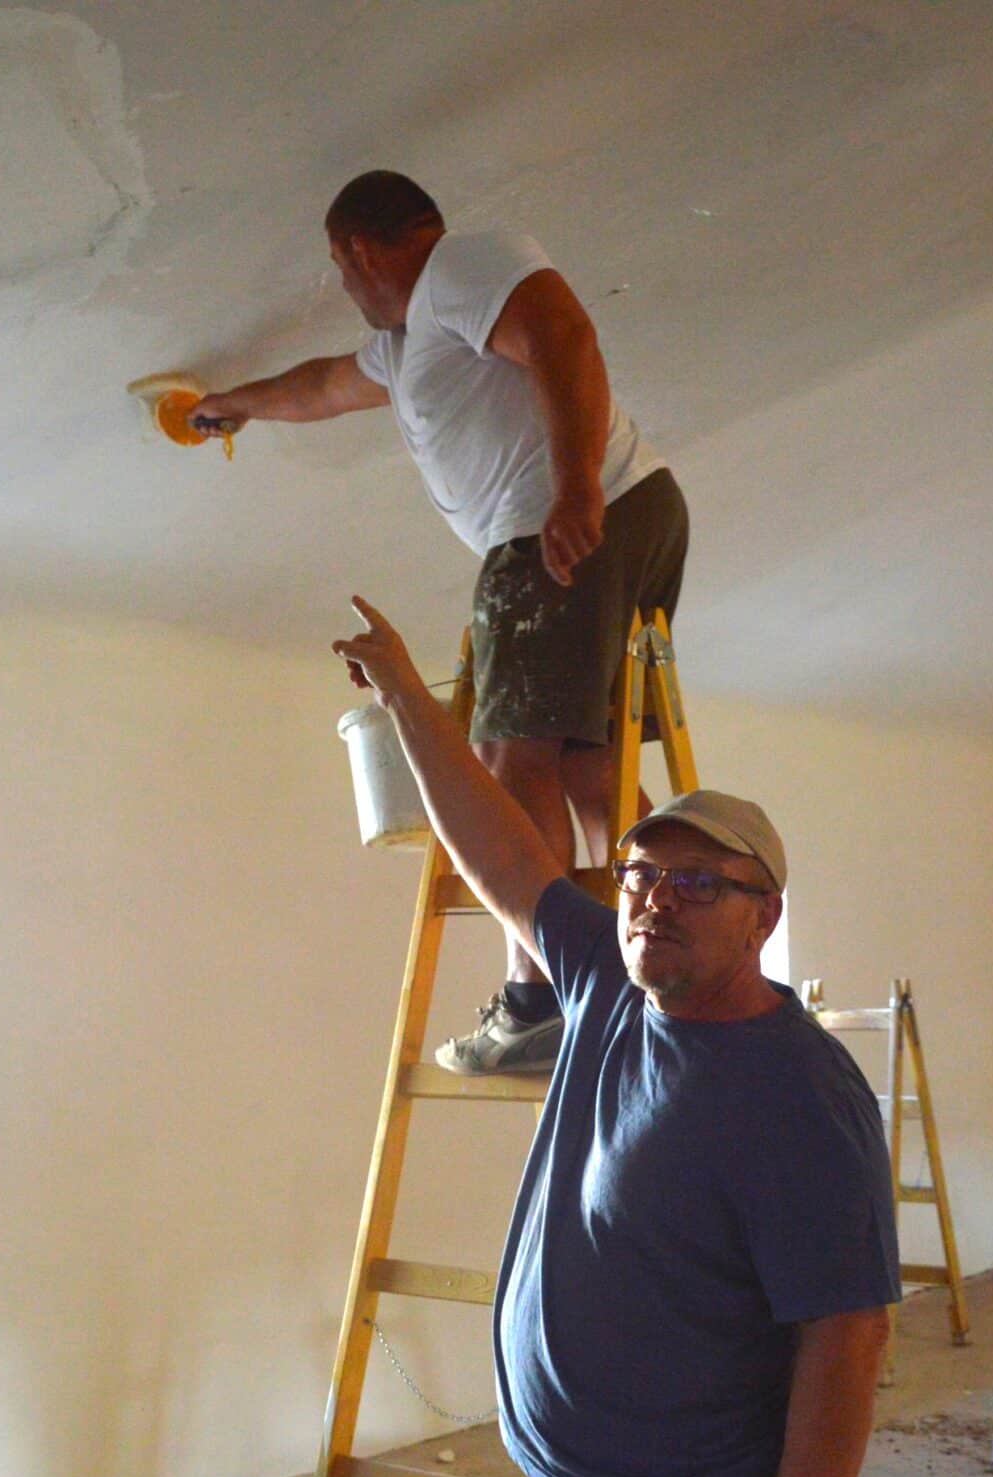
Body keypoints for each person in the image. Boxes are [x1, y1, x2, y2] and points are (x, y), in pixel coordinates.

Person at [330, 597, 899, 1477]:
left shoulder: (796, 1091)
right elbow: (497, 843)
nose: (655, 902)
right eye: (639, 875)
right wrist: (404, 693)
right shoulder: (604, 981)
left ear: (763, 916)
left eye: (699, 884)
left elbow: (849, 1341)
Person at [195, 171, 687, 1077]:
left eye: (341, 268)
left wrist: (575, 487)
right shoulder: (407, 340)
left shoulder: (464, 267)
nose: (346, 288)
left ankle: (538, 999)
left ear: (358, 251)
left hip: (560, 526)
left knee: (509, 760)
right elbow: (324, 385)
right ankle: (676, 969)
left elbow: (564, 335)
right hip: (620, 511)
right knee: (590, 764)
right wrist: (237, 404)